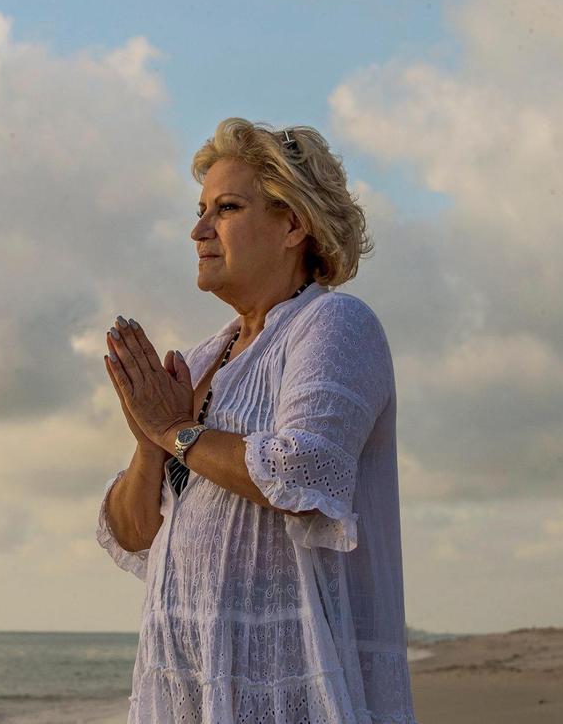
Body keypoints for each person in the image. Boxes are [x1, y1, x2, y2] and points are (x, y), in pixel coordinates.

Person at [96, 117, 417, 723]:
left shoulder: (333, 325)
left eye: (226, 208)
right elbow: (134, 532)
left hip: (288, 687)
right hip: (182, 691)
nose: (198, 230)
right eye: (200, 210)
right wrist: (149, 442)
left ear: (293, 223)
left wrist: (174, 431)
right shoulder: (194, 363)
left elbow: (304, 470)